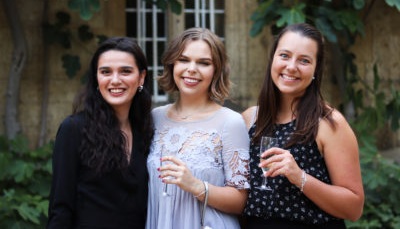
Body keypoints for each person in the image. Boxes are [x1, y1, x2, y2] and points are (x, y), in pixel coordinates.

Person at [242, 23, 364, 228]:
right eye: (284, 55)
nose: (291, 66)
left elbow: (354, 208)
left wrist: (299, 177)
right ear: (272, 59)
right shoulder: (250, 118)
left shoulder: (328, 123)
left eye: (304, 60)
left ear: (316, 68)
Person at [146, 27, 250, 229]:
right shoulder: (154, 118)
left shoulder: (231, 122)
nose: (191, 69)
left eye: (204, 63)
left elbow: (240, 201)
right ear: (172, 64)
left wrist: (195, 185)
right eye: (184, 60)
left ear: (216, 71)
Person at [47, 37, 154, 228]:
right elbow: (60, 208)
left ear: (141, 77)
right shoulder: (74, 129)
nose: (115, 80)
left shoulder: (146, 130)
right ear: (96, 78)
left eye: (125, 71)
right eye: (106, 72)